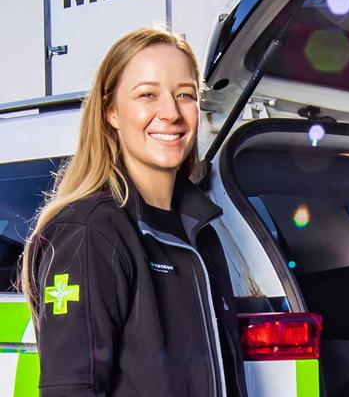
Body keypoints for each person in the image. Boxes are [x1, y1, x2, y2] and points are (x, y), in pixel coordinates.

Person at [20, 27, 247, 396]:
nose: (171, 113)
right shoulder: (90, 232)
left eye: (184, 95)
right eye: (147, 95)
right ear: (111, 111)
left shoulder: (200, 231)